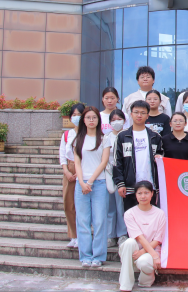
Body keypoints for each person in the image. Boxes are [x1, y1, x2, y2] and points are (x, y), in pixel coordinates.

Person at [69, 106, 111, 267]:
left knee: (99, 221)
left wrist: (90, 181)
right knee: (83, 221)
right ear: (83, 120)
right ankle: (85, 256)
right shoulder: (78, 140)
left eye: (94, 117)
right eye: (88, 117)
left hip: (98, 183)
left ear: (98, 120)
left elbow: (104, 162)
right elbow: (77, 163)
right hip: (81, 185)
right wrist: (81, 182)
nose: (91, 120)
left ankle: (98, 256)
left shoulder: (104, 139)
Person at [113, 101, 164, 211]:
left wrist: (159, 157)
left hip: (150, 186)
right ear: (131, 114)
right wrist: (120, 183)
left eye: (142, 113)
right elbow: (117, 162)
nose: (139, 115)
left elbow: (161, 157)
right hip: (130, 187)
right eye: (136, 112)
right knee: (131, 217)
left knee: (150, 217)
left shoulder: (155, 136)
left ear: (147, 115)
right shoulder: (122, 136)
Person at [119, 181, 166, 292]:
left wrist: (145, 252)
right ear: (135, 195)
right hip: (134, 251)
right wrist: (141, 252)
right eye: (139, 193)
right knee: (129, 242)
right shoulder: (129, 213)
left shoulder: (160, 213)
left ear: (152, 194)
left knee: (144, 263)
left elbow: (158, 239)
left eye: (146, 193)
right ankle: (125, 285)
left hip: (151, 251)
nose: (143, 196)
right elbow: (138, 237)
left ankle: (146, 280)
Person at [59, 102, 84, 249]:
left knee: (82, 205)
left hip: (84, 168)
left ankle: (82, 235)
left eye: (79, 115)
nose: (76, 117)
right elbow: (62, 155)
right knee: (68, 204)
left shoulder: (88, 134)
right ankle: (73, 235)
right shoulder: (67, 135)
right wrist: (67, 171)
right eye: (74, 115)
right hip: (69, 168)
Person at [105, 109, 128, 249]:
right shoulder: (106, 137)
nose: (116, 122)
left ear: (124, 121)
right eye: (113, 120)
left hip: (123, 174)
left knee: (121, 207)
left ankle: (122, 234)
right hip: (108, 173)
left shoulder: (127, 136)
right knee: (110, 207)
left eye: (119, 119)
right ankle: (110, 235)